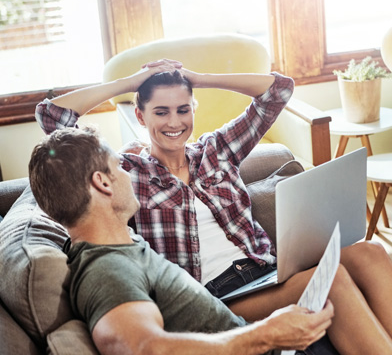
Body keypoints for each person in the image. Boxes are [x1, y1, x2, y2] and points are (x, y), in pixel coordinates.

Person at [36, 59, 392, 354]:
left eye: (182, 109)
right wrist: (131, 81)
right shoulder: (129, 173)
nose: (174, 122)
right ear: (141, 117)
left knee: (372, 252)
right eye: (160, 112)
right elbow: (53, 118)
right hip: (222, 296)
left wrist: (200, 78)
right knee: (332, 280)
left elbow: (278, 90)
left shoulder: (216, 150)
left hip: (267, 271)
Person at [28, 126, 334, 355]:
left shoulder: (120, 239)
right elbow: (143, 347)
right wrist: (267, 333)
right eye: (120, 166)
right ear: (102, 182)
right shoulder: (106, 269)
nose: (130, 174)